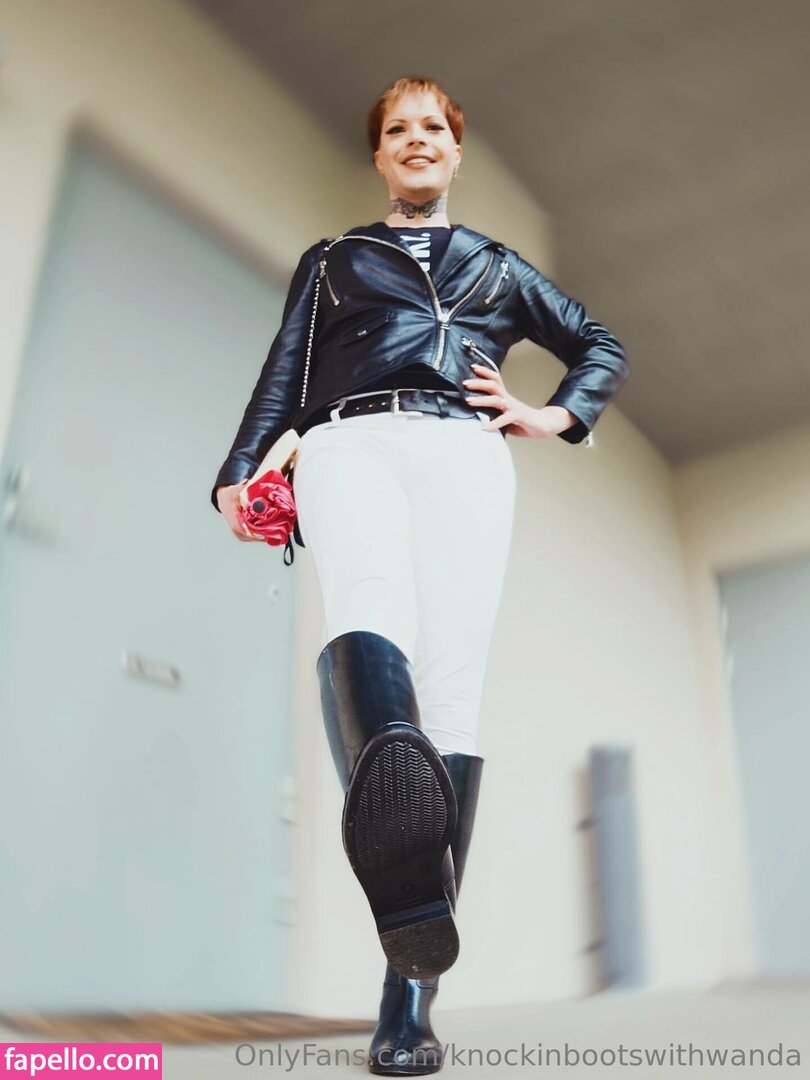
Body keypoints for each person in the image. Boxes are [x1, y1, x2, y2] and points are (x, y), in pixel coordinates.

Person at [211, 76, 629, 1076]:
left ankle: (409, 999)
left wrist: (551, 414)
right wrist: (240, 467)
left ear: (455, 149)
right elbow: (283, 373)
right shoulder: (332, 261)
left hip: (469, 459)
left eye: (432, 127)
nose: (415, 140)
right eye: (396, 129)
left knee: (452, 699)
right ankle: (405, 869)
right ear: (379, 155)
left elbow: (598, 345)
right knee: (366, 618)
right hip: (349, 443)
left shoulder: (499, 265)